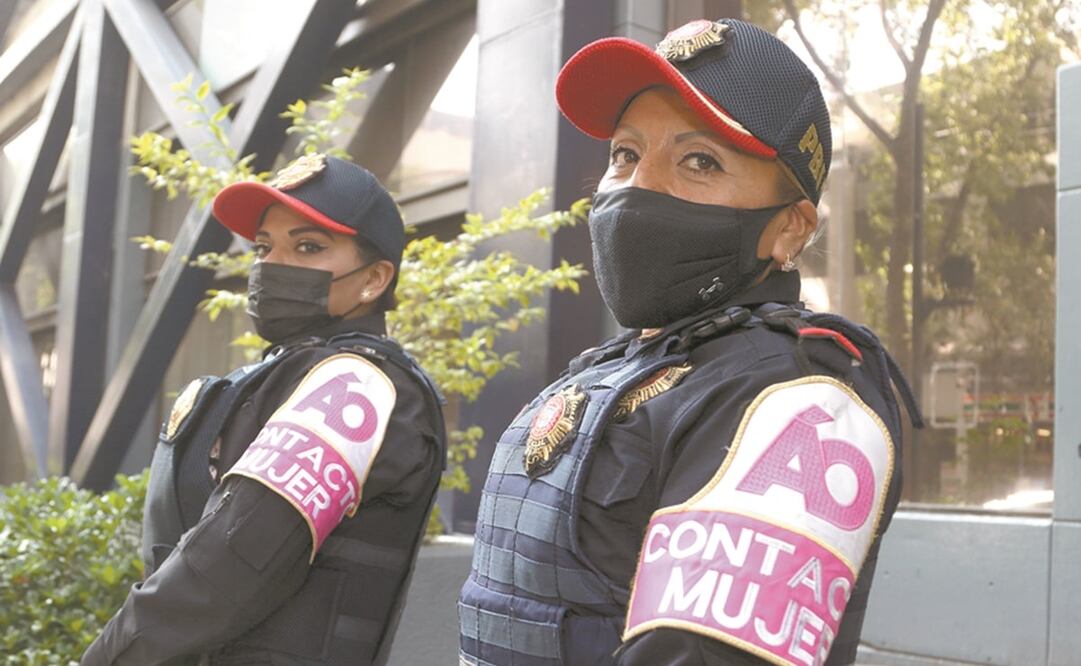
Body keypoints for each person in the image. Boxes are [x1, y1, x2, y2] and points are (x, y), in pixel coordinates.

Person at [458, 18, 921, 666]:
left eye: (698, 161)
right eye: (624, 153)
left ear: (788, 228)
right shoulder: (622, 368)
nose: (634, 185)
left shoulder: (800, 402)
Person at [83, 154, 446, 666]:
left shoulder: (358, 386)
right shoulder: (280, 376)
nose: (274, 265)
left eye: (308, 247)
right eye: (263, 247)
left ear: (374, 279)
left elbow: (228, 561)